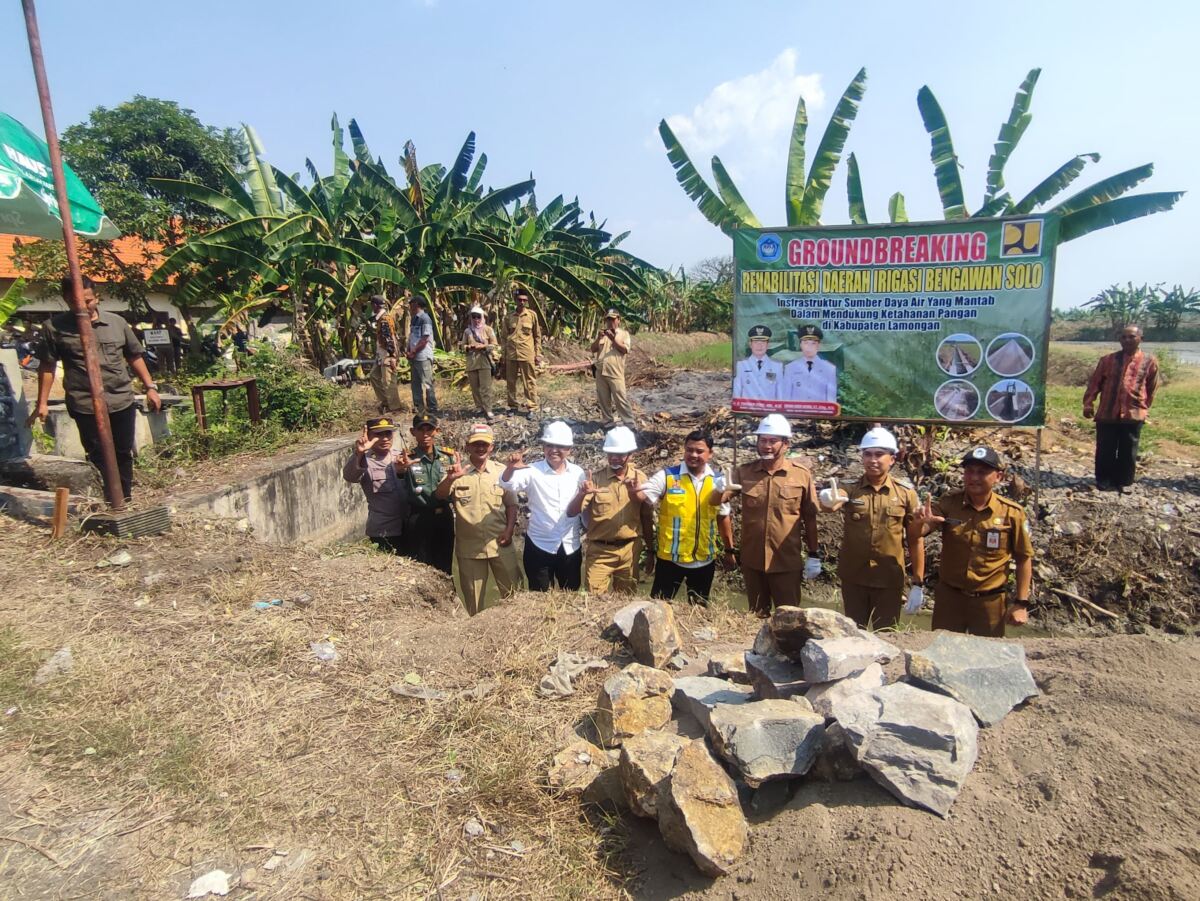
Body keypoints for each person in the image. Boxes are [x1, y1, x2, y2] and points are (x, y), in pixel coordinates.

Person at [31, 275, 162, 503]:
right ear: (66, 300)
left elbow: (134, 356)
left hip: (120, 398)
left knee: (123, 451)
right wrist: (42, 403)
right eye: (75, 302)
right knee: (97, 454)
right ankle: (108, 499)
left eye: (88, 300)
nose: (83, 306)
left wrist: (150, 387)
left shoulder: (117, 323)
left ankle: (125, 497)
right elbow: (48, 365)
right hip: (84, 403)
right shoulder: (54, 328)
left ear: (96, 297)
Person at [913, 446, 1034, 637]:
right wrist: (919, 522)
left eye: (982, 472)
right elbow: (918, 533)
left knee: (987, 658)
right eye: (969, 471)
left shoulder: (1011, 513)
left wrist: (1021, 603)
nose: (974, 477)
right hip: (950, 599)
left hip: (989, 602)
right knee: (943, 655)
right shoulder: (949, 503)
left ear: (998, 477)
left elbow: (1023, 558)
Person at [819, 427, 924, 630]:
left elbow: (915, 538)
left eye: (879, 454)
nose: (872, 460)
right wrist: (827, 499)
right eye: (867, 454)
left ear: (892, 459)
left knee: (885, 635)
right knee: (853, 634)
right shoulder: (850, 487)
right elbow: (833, 502)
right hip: (854, 576)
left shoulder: (905, 493)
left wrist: (917, 583)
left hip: (889, 579)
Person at [717, 414, 820, 616]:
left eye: (773, 441)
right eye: (763, 440)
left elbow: (810, 516)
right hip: (753, 561)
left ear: (786, 444)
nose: (767, 446)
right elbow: (718, 501)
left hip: (786, 562)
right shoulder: (744, 473)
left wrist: (814, 554)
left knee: (789, 618)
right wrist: (718, 490)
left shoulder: (801, 475)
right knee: (756, 616)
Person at [637, 431, 733, 606]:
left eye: (699, 451)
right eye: (689, 450)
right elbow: (644, 498)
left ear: (710, 454)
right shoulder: (667, 477)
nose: (693, 455)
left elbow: (723, 517)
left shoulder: (718, 481)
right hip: (670, 561)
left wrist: (729, 551)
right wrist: (635, 492)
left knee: (698, 610)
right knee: (658, 607)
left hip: (704, 560)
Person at [436, 423, 519, 614]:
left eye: (484, 444)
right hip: (470, 549)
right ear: (468, 446)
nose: (480, 448)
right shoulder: (458, 471)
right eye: (476, 444)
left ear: (491, 447)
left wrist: (509, 530)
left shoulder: (501, 472)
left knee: (514, 597)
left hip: (500, 544)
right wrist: (450, 478)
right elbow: (439, 495)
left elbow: (512, 504)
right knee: (474, 603)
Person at [499, 420, 585, 591]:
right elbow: (507, 484)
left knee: (571, 594)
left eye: (560, 446)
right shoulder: (532, 470)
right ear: (543, 447)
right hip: (539, 544)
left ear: (569, 449)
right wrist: (510, 469)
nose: (554, 450)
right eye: (549, 445)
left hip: (570, 544)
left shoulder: (578, 473)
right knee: (539, 597)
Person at [567, 426, 653, 594]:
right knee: (593, 602)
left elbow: (646, 516)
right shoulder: (595, 479)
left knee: (626, 601)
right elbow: (571, 512)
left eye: (620, 455)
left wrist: (650, 550)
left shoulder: (639, 478)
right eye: (610, 454)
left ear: (630, 454)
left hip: (630, 550)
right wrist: (582, 494)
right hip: (600, 552)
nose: (614, 458)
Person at [1082, 325, 1159, 492]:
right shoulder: (1107, 360)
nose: (1127, 340)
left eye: (1131, 337)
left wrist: (1144, 408)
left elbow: (1151, 387)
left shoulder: (1149, 361)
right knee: (1105, 449)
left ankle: (1124, 482)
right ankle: (1103, 479)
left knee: (1128, 450)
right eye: (1124, 337)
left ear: (1141, 339)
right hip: (1107, 412)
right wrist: (1088, 403)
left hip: (1133, 413)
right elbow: (1095, 383)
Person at [397, 413, 455, 574]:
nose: (425, 434)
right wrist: (401, 469)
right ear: (412, 432)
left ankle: (448, 597)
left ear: (436, 431)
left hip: (444, 516)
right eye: (421, 430)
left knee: (446, 564)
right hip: (419, 517)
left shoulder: (448, 457)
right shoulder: (407, 458)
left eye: (429, 430)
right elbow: (399, 472)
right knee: (421, 565)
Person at [342, 416, 409, 554]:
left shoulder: (402, 457)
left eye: (388, 433)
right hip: (384, 531)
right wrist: (359, 454)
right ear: (369, 436)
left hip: (409, 526)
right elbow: (349, 476)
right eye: (378, 435)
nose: (384, 438)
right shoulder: (364, 460)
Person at [591, 309, 635, 429]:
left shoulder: (624, 334)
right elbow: (593, 349)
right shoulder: (601, 333)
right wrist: (598, 339)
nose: (610, 322)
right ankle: (608, 423)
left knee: (621, 398)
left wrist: (613, 339)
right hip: (601, 371)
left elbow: (625, 350)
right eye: (608, 319)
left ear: (618, 320)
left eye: (613, 319)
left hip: (615, 372)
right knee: (604, 399)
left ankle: (629, 424)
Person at [503, 288, 541, 415]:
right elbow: (503, 337)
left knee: (529, 381)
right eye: (520, 300)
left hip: (527, 353)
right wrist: (504, 355)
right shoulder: (509, 317)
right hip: (511, 354)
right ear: (515, 300)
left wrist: (538, 353)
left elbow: (537, 336)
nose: (522, 302)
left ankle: (532, 406)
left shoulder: (532, 315)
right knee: (511, 381)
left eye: (525, 300)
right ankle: (513, 406)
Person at [462, 305, 499, 421]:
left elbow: (495, 344)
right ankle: (479, 407)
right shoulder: (467, 331)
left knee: (485, 387)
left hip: (484, 362)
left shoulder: (488, 329)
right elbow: (462, 346)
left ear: (482, 317)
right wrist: (469, 347)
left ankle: (488, 409)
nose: (476, 319)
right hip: (472, 362)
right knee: (474, 387)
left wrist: (484, 346)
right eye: (474, 317)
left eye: (478, 317)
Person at [782, 325, 837, 403]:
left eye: (813, 343)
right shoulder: (790, 368)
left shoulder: (829, 369)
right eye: (806, 343)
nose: (809, 347)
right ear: (800, 345)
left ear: (818, 345)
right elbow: (786, 399)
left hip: (819, 414)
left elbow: (831, 401)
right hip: (797, 413)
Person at [405, 294, 437, 415]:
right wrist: (409, 350)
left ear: (416, 304)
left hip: (422, 355)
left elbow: (425, 339)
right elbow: (412, 337)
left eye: (411, 304)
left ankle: (432, 407)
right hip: (414, 356)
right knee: (415, 384)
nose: (410, 307)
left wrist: (413, 351)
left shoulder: (425, 318)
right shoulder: (414, 319)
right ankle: (419, 407)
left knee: (427, 382)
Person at [369, 295, 401, 413]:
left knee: (388, 381)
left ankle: (395, 408)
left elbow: (389, 339)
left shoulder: (384, 319)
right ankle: (386, 402)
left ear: (375, 305)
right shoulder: (381, 318)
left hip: (387, 354)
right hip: (381, 353)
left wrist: (392, 356)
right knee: (374, 376)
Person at [733, 324, 782, 400]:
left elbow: (780, 394)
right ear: (750, 344)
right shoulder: (742, 365)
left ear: (768, 345)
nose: (759, 346)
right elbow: (737, 392)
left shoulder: (777, 367)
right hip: (747, 410)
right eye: (756, 342)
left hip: (769, 410)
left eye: (763, 342)